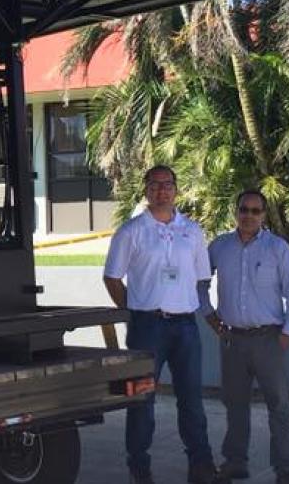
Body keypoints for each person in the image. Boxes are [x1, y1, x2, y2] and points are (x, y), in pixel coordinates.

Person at [105, 165, 219, 484]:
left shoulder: (192, 231)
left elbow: (200, 278)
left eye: (167, 185)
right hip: (147, 329)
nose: (161, 190)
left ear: (176, 190)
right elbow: (112, 277)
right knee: (141, 399)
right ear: (146, 190)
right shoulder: (131, 231)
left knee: (191, 399)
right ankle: (139, 468)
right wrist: (134, 311)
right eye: (154, 185)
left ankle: (201, 465)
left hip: (185, 328)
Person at [200, 190, 289, 484]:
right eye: (244, 209)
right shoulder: (220, 247)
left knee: (279, 406)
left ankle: (285, 470)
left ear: (264, 215)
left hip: (268, 339)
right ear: (236, 211)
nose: (248, 215)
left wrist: (288, 332)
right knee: (234, 405)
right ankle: (235, 463)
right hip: (232, 339)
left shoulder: (277, 248)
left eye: (255, 211)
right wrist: (209, 315)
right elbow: (199, 283)